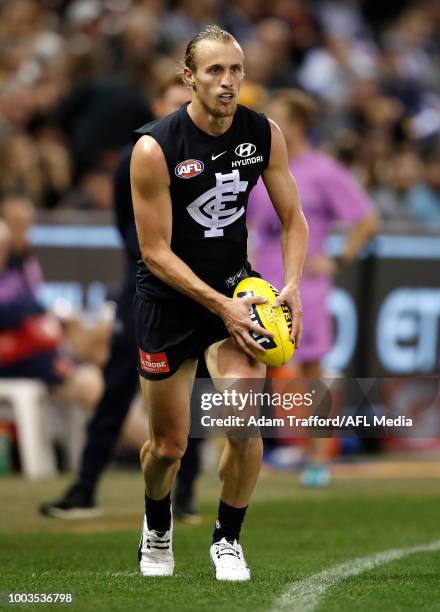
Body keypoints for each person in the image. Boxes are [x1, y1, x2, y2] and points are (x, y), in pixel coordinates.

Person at [131, 25, 308, 581]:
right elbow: (155, 253)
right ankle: (156, 526)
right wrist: (218, 306)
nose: (228, 81)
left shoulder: (263, 133)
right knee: (168, 446)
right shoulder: (154, 148)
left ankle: (226, 540)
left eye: (235, 69)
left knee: (243, 425)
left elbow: (293, 220)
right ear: (189, 78)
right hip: (168, 299)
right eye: (214, 71)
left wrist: (292, 283)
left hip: (236, 290)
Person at [40, 77, 204, 523]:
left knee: (194, 391)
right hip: (145, 289)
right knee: (115, 386)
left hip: (198, 292)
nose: (182, 109)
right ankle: (85, 487)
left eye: (187, 102)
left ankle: (185, 495)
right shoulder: (138, 157)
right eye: (174, 101)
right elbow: (129, 233)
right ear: (157, 104)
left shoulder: (205, 157)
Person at [248, 89, 379, 486]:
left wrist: (338, 258)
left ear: (299, 124)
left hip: (305, 283)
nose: (271, 123)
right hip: (259, 282)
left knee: (311, 369)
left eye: (280, 117)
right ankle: (244, 455)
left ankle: (318, 458)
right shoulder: (257, 167)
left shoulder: (323, 171)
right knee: (248, 367)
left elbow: (366, 219)